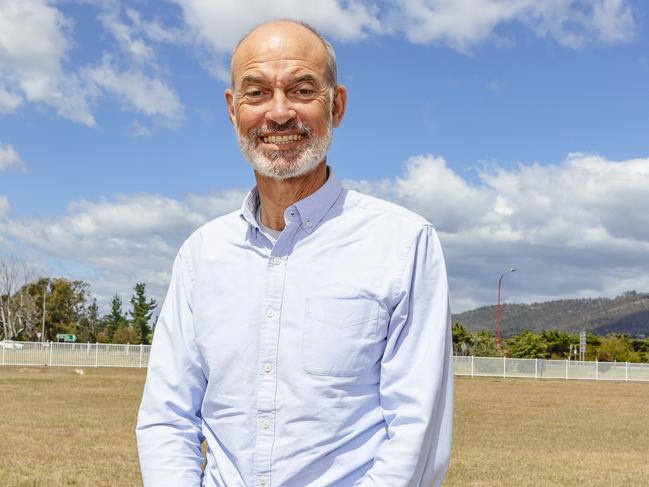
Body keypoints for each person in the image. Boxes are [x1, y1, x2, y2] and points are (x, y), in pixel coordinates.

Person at [136, 19, 453, 487]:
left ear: (336, 105)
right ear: (231, 109)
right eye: (257, 92)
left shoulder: (403, 244)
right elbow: (167, 416)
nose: (279, 113)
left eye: (302, 90)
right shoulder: (202, 255)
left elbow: (416, 432)